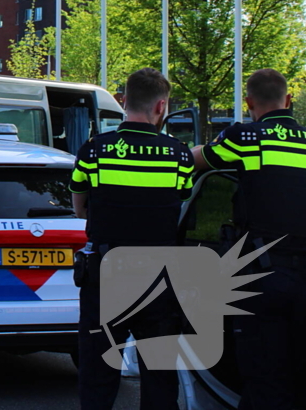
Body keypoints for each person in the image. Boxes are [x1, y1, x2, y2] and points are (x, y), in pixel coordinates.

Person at [191, 69, 306, 410]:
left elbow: (197, 161)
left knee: (264, 380)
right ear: (289, 100)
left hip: (261, 280)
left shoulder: (246, 138)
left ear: (249, 102)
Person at [71, 68, 194, 410]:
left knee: (98, 374)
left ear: (123, 101)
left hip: (106, 274)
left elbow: (80, 207)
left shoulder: (95, 150)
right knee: (159, 374)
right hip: (159, 277)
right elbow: (180, 204)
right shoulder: (179, 154)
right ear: (161, 107)